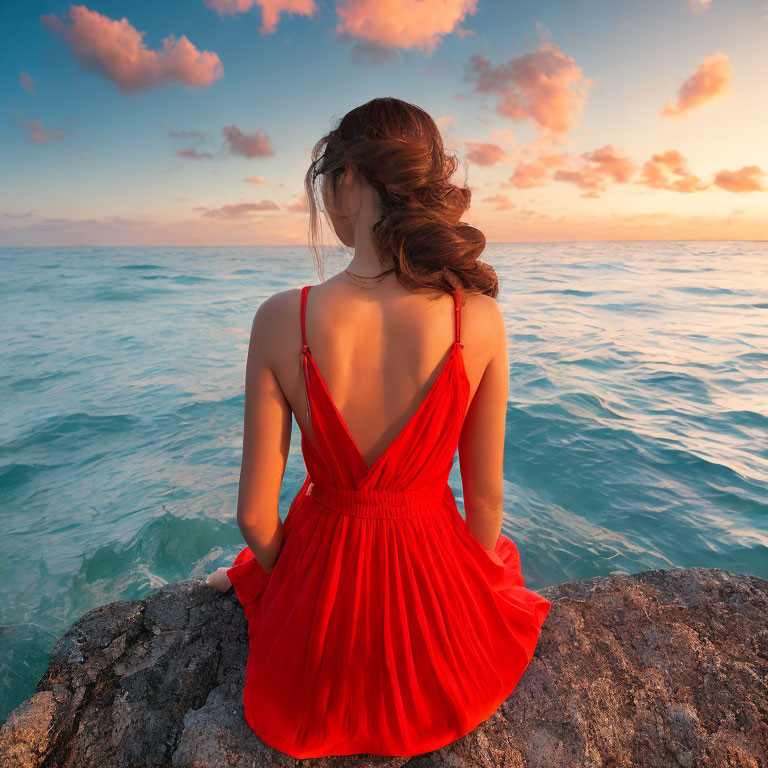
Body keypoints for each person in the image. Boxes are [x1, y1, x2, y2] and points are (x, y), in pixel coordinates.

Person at [206, 97, 551, 759]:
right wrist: (460, 605)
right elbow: (485, 504)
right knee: (495, 572)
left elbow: (255, 518)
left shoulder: (283, 317)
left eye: (325, 186)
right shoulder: (474, 317)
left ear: (347, 180)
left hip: (320, 632)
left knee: (251, 568)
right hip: (431, 602)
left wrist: (295, 588)